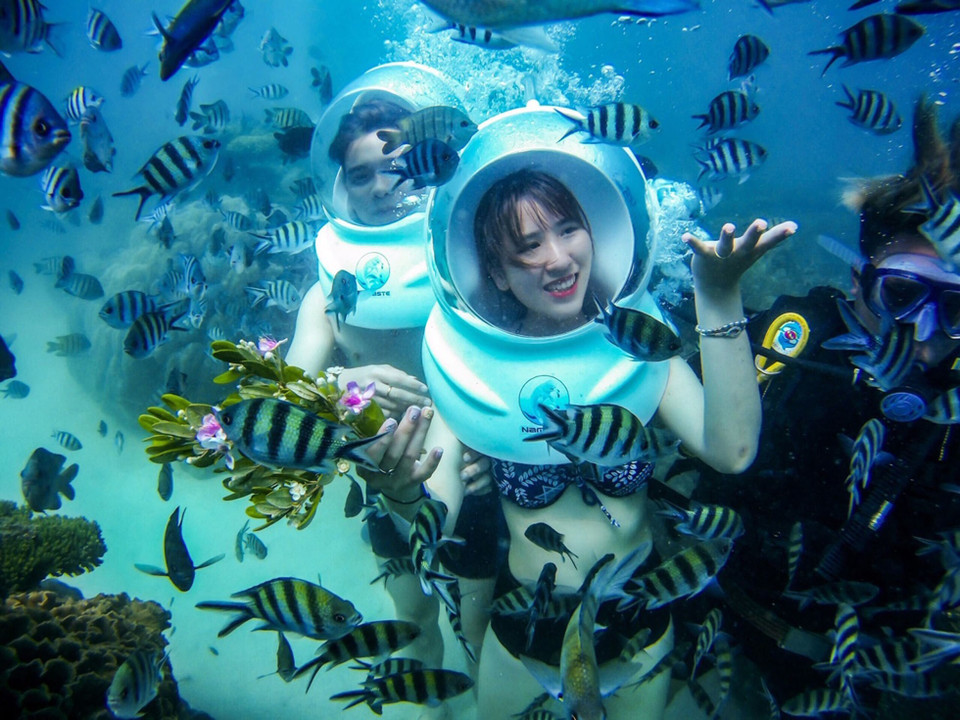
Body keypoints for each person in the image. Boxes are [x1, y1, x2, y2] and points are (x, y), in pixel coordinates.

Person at [356, 105, 796, 718]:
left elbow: (732, 449)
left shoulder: (641, 345)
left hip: (640, 619)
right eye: (527, 247)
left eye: (569, 228)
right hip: (524, 627)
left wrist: (718, 297)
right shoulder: (469, 368)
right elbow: (438, 512)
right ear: (499, 276)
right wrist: (398, 491)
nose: (559, 259)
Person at [686, 97, 960, 712]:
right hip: (727, 629)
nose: (923, 333)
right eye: (904, 294)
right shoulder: (795, 339)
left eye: (957, 309)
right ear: (860, 280)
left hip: (887, 682)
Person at [285, 66, 502, 715]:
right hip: (384, 493)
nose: (385, 187)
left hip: (480, 494)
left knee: (479, 632)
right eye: (360, 175)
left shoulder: (472, 267)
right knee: (411, 623)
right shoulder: (327, 295)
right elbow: (284, 402)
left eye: (402, 165)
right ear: (338, 186)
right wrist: (337, 384)